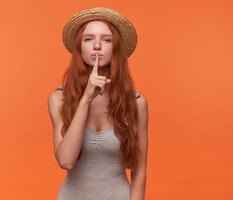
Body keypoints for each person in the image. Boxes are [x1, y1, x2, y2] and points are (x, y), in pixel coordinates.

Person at [48, 7, 149, 200]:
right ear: (79, 48)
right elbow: (66, 160)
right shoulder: (59, 99)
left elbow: (140, 171)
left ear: (116, 48)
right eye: (88, 39)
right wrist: (86, 98)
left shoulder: (136, 103)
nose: (96, 46)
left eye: (106, 39)